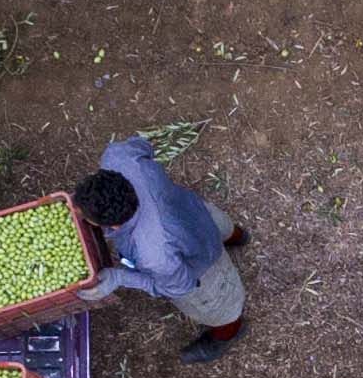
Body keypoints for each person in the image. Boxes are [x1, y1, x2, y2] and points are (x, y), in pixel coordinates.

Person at [74, 136, 250, 355]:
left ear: (115, 226)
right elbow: (144, 146)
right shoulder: (120, 158)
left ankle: (228, 332)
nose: (77, 213)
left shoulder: (154, 254)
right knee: (220, 226)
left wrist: (119, 277)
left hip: (200, 264)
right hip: (195, 212)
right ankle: (239, 237)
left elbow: (178, 287)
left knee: (221, 310)